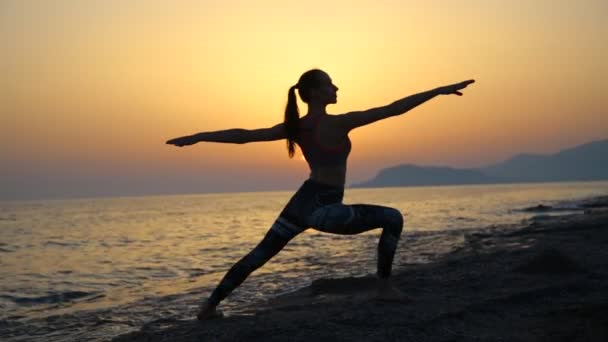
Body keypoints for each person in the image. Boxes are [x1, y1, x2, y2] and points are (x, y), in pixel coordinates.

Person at [166, 69, 474, 320]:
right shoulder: (339, 122)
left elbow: (245, 137)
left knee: (259, 255)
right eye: (329, 83)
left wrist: (198, 137)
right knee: (392, 218)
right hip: (322, 205)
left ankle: (208, 307)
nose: (335, 87)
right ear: (315, 92)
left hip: (303, 200)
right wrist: (437, 91)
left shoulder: (296, 127)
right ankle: (384, 288)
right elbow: (392, 110)